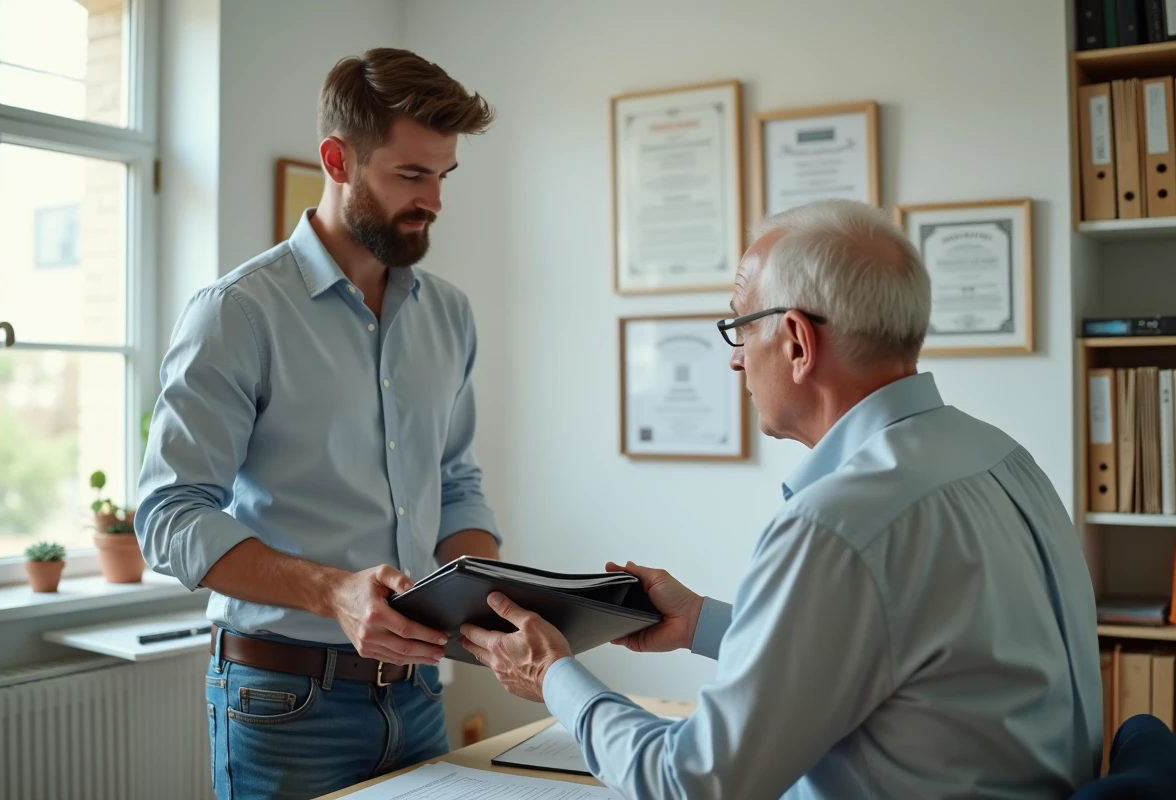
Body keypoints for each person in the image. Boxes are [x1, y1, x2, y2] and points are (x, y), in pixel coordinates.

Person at [461, 198, 1103, 799]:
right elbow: (914, 653)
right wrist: (699, 624)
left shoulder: (839, 524)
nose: (736, 361)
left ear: (797, 341)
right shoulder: (1000, 458)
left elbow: (693, 784)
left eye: (739, 327)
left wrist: (555, 679)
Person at [135, 48, 501, 800]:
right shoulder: (238, 313)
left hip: (422, 694)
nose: (434, 199)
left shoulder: (451, 316)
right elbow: (168, 516)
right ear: (338, 159)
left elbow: (457, 483)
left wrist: (492, 599)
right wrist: (333, 591)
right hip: (282, 705)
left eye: (442, 175)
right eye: (410, 174)